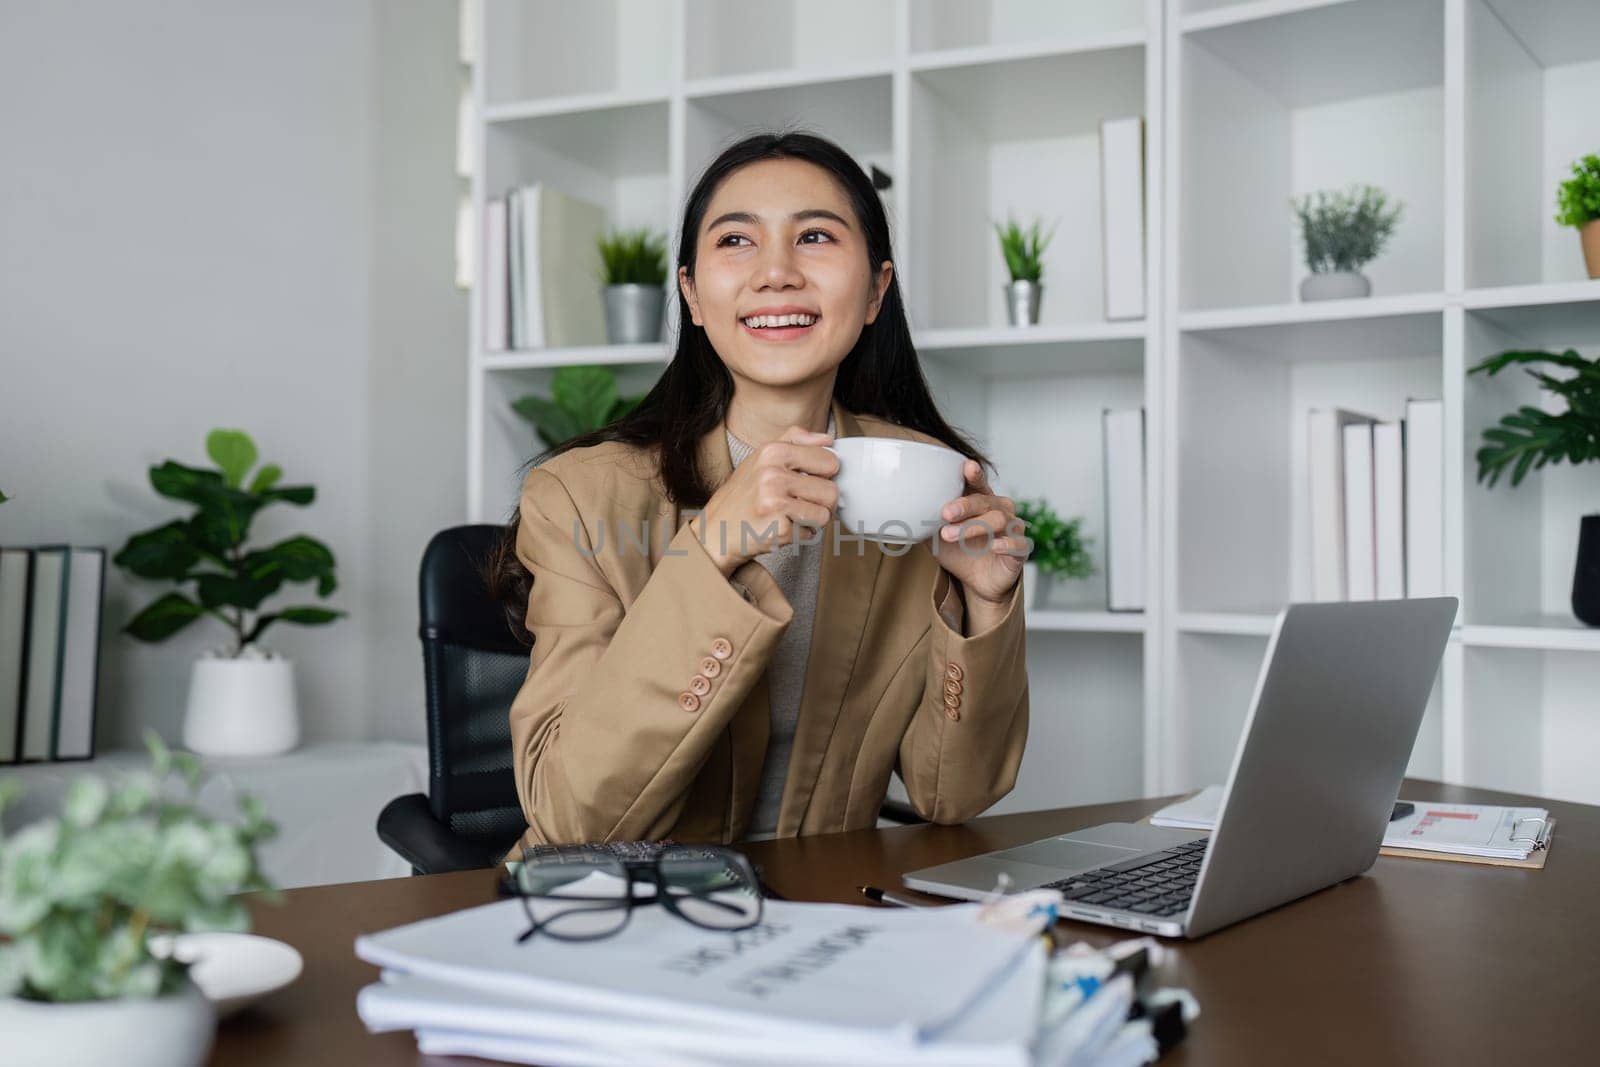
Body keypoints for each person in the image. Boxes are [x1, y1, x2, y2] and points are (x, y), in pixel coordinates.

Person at [484, 130, 1030, 855]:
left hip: (823, 911)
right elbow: (573, 819)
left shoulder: (923, 483)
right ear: (692, 295)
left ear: (874, 291)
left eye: (814, 236)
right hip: (611, 915)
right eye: (736, 240)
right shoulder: (580, 497)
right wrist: (710, 548)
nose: (776, 272)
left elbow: (951, 793)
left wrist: (984, 609)